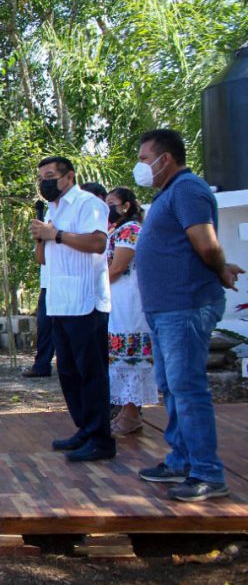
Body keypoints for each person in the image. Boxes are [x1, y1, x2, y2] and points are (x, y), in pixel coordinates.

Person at [133, 129, 244, 502]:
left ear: (166, 158)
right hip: (167, 309)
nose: (141, 166)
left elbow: (205, 242)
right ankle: (181, 460)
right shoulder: (171, 194)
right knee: (171, 387)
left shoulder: (187, 189)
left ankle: (208, 474)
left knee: (188, 389)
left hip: (186, 306)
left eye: (145, 158)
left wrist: (220, 269)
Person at [30, 156, 114, 462]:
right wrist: (42, 237)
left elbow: (97, 243)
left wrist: (58, 235)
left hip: (85, 302)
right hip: (59, 302)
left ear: (69, 177)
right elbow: (43, 260)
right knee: (68, 372)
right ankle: (84, 429)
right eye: (41, 177)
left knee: (91, 372)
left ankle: (101, 439)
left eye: (50, 175)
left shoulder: (87, 204)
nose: (44, 182)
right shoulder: (52, 211)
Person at [104, 187, 158, 436]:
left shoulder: (130, 230)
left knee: (131, 353)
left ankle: (133, 412)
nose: (107, 207)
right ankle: (126, 410)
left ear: (125, 206)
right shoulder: (115, 231)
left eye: (111, 203)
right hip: (117, 301)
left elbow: (118, 267)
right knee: (119, 355)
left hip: (130, 302)